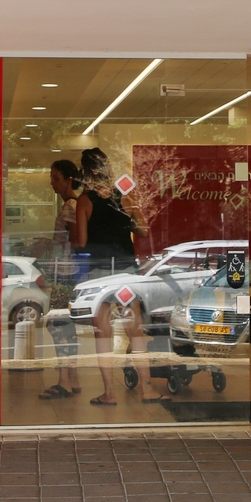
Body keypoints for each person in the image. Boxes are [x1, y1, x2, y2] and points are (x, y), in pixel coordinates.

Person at [73, 147, 163, 406]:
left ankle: (109, 393)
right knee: (135, 331)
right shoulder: (125, 195)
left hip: (100, 275)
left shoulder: (84, 201)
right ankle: (147, 390)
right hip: (125, 272)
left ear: (86, 172)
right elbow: (143, 230)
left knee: (102, 333)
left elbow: (82, 241)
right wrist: (125, 224)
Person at [39, 159, 81, 401]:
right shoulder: (70, 206)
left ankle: (64, 381)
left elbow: (75, 241)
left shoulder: (70, 207)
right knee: (66, 325)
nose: (52, 183)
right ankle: (71, 378)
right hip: (66, 272)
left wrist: (51, 246)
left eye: (56, 178)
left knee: (57, 324)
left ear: (69, 180)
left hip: (65, 274)